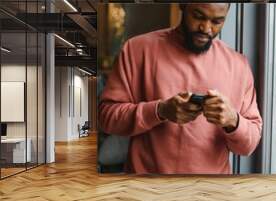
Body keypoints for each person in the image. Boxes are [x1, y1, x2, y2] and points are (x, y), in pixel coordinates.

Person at [99, 3, 262, 174]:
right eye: (198, 16)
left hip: (211, 193)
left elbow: (249, 146)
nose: (206, 28)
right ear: (183, 5)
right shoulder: (136, 50)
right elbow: (106, 118)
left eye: (217, 21)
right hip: (146, 191)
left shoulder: (238, 65)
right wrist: (159, 111)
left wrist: (233, 121)